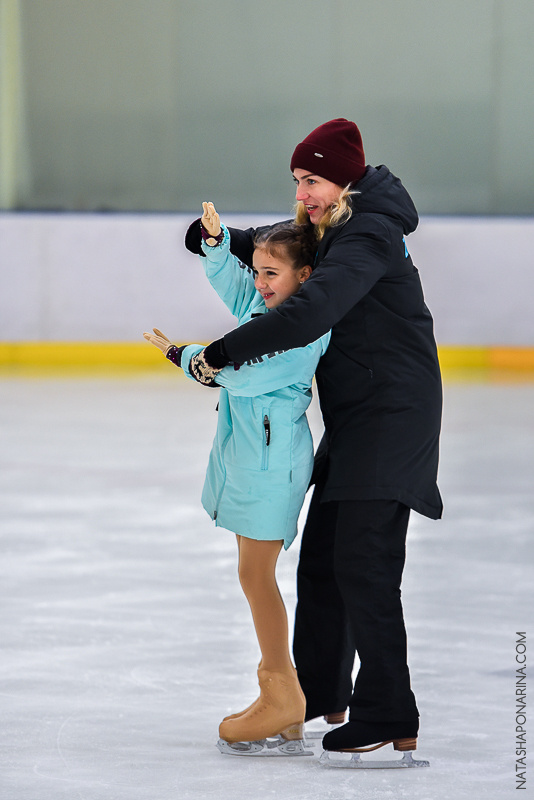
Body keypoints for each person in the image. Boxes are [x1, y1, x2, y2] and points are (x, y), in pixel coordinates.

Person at [182, 119, 443, 762]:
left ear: (346, 178)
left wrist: (220, 353)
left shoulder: (370, 233)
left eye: (314, 180)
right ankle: (318, 689)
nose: (303, 194)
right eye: (298, 180)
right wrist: (226, 241)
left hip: (393, 417)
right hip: (359, 416)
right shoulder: (336, 223)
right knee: (324, 561)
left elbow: (312, 307)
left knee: (364, 564)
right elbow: (289, 250)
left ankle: (389, 707)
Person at [143, 202, 330, 756]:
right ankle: (283, 700)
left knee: (257, 577)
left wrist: (184, 354)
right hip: (255, 458)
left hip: (271, 466)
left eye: (273, 273)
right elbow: (237, 291)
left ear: (306, 276)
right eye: (259, 270)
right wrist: (221, 246)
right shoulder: (268, 308)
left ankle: (283, 696)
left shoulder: (300, 331)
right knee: (254, 575)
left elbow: (238, 373)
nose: (261, 283)